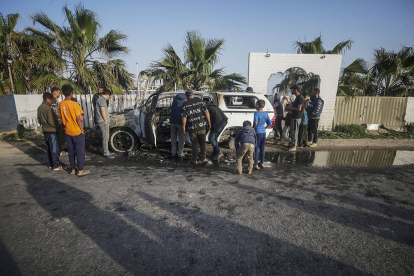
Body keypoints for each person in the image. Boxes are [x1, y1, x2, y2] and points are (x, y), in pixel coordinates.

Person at [59, 84, 90, 176]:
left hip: (68, 130)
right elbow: (78, 119)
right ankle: (80, 170)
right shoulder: (74, 104)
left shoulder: (60, 104)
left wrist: (64, 127)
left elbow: (61, 118)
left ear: (63, 93)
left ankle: (72, 169)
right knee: (80, 151)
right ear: (71, 93)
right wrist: (82, 129)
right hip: (76, 131)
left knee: (71, 150)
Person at [182, 89, 211, 164]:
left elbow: (184, 117)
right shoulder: (201, 102)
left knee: (195, 144)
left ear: (186, 96)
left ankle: (194, 160)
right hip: (202, 127)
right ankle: (204, 158)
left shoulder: (185, 104)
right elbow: (207, 113)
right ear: (193, 95)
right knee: (203, 143)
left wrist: (184, 126)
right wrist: (209, 122)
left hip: (192, 128)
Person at [37, 92, 64, 170]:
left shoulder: (39, 108)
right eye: (52, 100)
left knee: (49, 148)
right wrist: (58, 127)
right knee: (54, 148)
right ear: (47, 99)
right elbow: (51, 121)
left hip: (45, 130)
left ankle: (51, 164)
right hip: (52, 131)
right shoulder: (48, 108)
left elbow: (39, 120)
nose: (52, 101)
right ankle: (56, 165)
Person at [253, 100, 272, 169]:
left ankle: (255, 164)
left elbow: (255, 123)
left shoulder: (256, 113)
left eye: (256, 105)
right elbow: (270, 123)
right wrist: (265, 128)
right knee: (262, 148)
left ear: (257, 106)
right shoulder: (266, 114)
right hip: (263, 132)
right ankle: (262, 163)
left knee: (256, 148)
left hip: (258, 132)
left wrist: (252, 128)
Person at [95, 89, 114, 159]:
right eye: (109, 96)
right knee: (105, 137)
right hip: (103, 121)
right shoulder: (102, 100)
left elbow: (103, 111)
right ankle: (106, 153)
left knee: (106, 137)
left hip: (102, 120)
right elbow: (102, 110)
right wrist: (106, 120)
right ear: (107, 95)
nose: (109, 98)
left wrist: (108, 114)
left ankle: (107, 151)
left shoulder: (100, 99)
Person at [286, 84, 304, 151]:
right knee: (293, 131)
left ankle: (294, 146)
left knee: (295, 131)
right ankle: (293, 144)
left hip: (297, 117)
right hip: (294, 117)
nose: (291, 90)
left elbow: (299, 108)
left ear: (295, 90)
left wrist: (290, 107)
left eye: (292, 89)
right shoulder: (297, 97)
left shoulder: (300, 98)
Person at [50, 87, 67, 155]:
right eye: (59, 93)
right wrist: (60, 120)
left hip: (57, 121)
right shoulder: (53, 100)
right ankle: (59, 150)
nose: (59, 94)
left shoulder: (54, 100)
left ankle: (60, 149)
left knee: (59, 137)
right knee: (58, 137)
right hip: (57, 122)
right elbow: (55, 112)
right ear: (55, 93)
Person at [170, 93, 187, 160]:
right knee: (181, 138)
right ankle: (180, 153)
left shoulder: (175, 99)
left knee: (173, 137)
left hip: (173, 121)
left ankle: (173, 152)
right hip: (181, 122)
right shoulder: (185, 101)